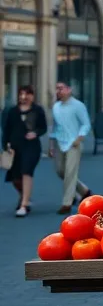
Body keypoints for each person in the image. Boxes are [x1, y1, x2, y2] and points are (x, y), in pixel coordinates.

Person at [3, 86, 47, 216]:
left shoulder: (37, 110)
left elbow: (43, 127)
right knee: (15, 178)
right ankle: (24, 195)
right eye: (21, 94)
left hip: (32, 147)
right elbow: (6, 129)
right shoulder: (11, 111)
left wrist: (36, 133)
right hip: (15, 148)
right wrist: (5, 145)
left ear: (32, 96)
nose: (24, 97)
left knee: (26, 171)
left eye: (27, 94)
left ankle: (24, 204)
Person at [50, 81, 92, 213]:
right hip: (59, 142)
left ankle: (67, 203)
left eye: (61, 88)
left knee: (70, 173)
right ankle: (84, 191)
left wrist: (79, 138)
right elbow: (55, 126)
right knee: (60, 171)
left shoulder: (78, 106)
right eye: (57, 88)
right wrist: (51, 144)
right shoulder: (56, 107)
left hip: (74, 144)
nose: (58, 91)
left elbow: (86, 123)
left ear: (69, 90)